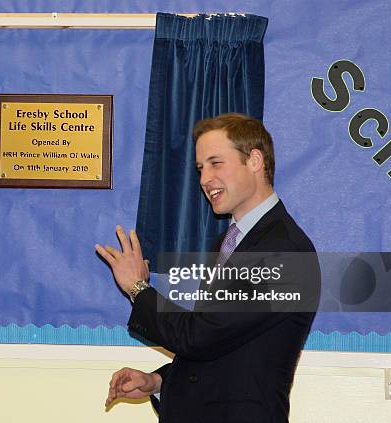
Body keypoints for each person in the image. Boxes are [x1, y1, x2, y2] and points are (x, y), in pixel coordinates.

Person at [95, 113, 320, 423]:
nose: (204, 180)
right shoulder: (231, 241)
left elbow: (200, 335)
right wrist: (158, 382)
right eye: (201, 168)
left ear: (254, 160)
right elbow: (223, 347)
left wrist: (138, 288)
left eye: (216, 163)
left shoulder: (284, 251)